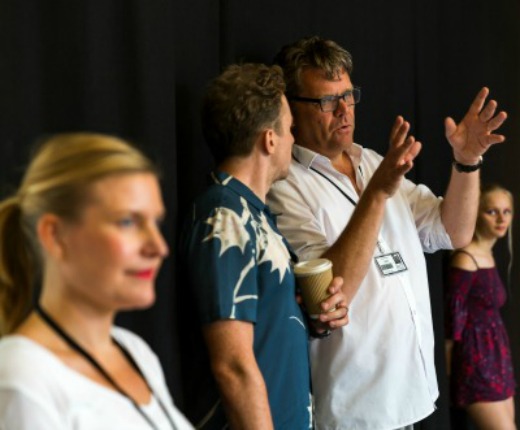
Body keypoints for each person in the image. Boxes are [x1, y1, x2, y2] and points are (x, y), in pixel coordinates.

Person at [267, 36, 508, 430]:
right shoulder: (286, 185)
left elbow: (455, 231)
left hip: (412, 399)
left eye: (349, 95)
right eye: (328, 101)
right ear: (293, 107)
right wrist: (378, 193)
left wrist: (466, 162)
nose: (345, 111)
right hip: (355, 411)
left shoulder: (372, 162)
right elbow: (329, 290)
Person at [179, 63, 349, 429]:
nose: (293, 137)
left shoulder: (253, 213)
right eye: (289, 129)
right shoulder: (225, 216)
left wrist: (315, 318)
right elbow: (233, 366)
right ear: (269, 140)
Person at [0, 133, 193, 429]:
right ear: (55, 235)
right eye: (128, 222)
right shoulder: (23, 378)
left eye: (156, 222)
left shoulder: (134, 351)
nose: (158, 247)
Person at [444, 184, 516, 430]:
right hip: (476, 361)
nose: (501, 219)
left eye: (506, 212)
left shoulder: (489, 255)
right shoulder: (466, 258)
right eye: (492, 211)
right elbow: (452, 322)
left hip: (498, 358)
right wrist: (449, 373)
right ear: (476, 214)